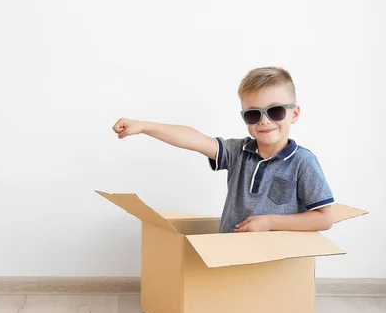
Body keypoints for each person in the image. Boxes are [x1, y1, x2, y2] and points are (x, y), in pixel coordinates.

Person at [112, 66, 334, 233]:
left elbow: (324, 218)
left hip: (275, 260)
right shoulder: (239, 152)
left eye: (275, 111)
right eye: (253, 114)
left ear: (294, 114)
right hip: (230, 253)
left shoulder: (303, 162)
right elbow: (193, 139)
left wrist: (269, 222)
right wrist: (143, 126)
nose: (264, 121)